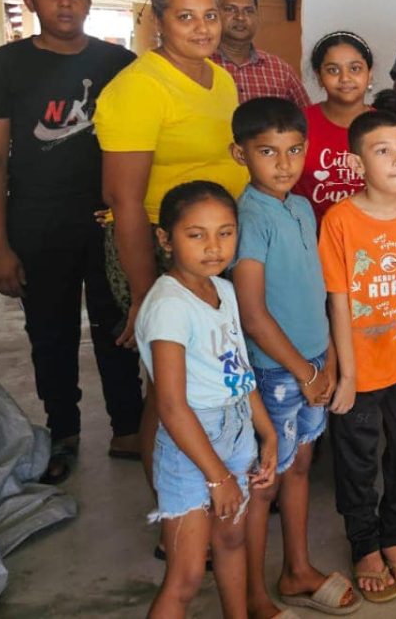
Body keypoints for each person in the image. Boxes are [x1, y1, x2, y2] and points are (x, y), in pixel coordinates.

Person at [96, 0, 249, 499]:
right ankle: (175, 512)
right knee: (168, 387)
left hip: (213, 245)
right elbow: (124, 200)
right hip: (160, 253)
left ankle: (220, 481)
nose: (203, 28)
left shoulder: (220, 77)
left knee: (214, 373)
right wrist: (146, 292)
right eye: (186, 17)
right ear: (159, 20)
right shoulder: (139, 88)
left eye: (211, 15)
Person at [0, 0, 142, 484]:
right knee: (51, 332)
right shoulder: (6, 64)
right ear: (31, 1)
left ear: (88, 1)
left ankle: (129, 426)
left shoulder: (119, 62)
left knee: (117, 325)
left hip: (106, 217)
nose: (65, 3)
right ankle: (64, 432)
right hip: (36, 218)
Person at [229, 98, 359, 617]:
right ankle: (255, 596)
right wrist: (305, 371)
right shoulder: (249, 216)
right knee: (266, 483)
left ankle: (297, 570)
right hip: (277, 372)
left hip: (311, 364)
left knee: (300, 464)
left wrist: (325, 358)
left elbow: (318, 291)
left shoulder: (302, 206)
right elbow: (253, 313)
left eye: (294, 150)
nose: (284, 163)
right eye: (268, 151)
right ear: (240, 154)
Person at [318, 111, 396, 601]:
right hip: (361, 371)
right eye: (382, 151)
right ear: (356, 163)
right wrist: (347, 374)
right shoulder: (340, 221)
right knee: (357, 461)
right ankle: (364, 544)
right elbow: (338, 300)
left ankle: (394, 534)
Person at [134, 181, 278, 619]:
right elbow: (172, 405)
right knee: (187, 575)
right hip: (191, 446)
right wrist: (217, 477)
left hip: (235, 432)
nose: (214, 247)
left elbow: (237, 370)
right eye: (196, 235)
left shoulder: (224, 290)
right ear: (165, 239)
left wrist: (267, 431)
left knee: (233, 541)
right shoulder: (168, 305)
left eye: (225, 232)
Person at [293, 31, 375, 226]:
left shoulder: (385, 126)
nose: (345, 78)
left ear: (369, 75)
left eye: (355, 68)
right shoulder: (298, 123)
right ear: (319, 76)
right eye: (333, 70)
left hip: (371, 240)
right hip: (310, 239)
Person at [209, 0, 311, 108]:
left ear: (257, 17)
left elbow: (308, 120)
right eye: (230, 9)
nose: (240, 17)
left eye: (249, 11)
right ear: (213, 14)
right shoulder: (200, 64)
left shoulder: (281, 71)